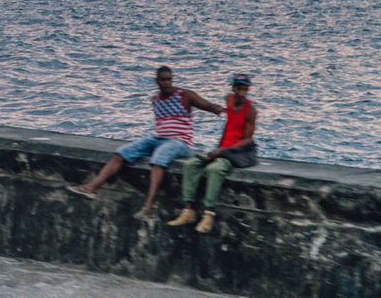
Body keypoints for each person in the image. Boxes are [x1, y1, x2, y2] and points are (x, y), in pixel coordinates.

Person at [67, 66, 223, 219]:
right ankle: (91, 187)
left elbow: (208, 106)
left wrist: (222, 110)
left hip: (180, 142)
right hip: (158, 139)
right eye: (163, 80)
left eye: (169, 79)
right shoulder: (155, 99)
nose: (167, 83)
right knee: (122, 152)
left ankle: (149, 206)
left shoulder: (185, 95)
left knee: (158, 159)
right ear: (157, 81)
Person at [168, 74, 259, 234]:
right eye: (238, 88)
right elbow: (229, 124)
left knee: (214, 170)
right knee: (191, 165)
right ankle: (188, 210)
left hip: (235, 152)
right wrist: (218, 146)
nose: (241, 91)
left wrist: (224, 151)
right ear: (233, 88)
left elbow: (248, 140)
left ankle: (209, 214)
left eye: (244, 89)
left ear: (247, 90)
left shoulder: (250, 110)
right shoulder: (229, 100)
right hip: (222, 148)